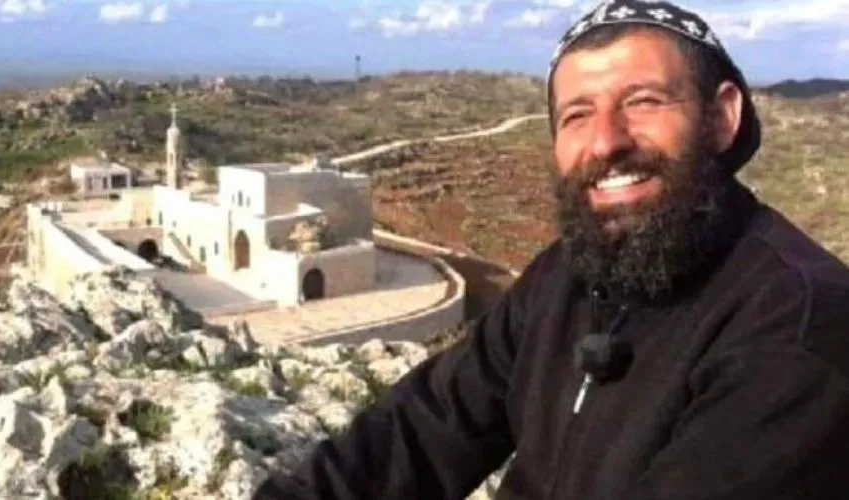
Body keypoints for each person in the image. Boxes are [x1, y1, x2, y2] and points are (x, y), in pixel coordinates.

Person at [253, 1, 849, 498]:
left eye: (643, 101)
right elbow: (417, 433)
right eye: (577, 114)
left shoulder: (798, 322)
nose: (605, 141)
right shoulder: (568, 275)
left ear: (721, 117)